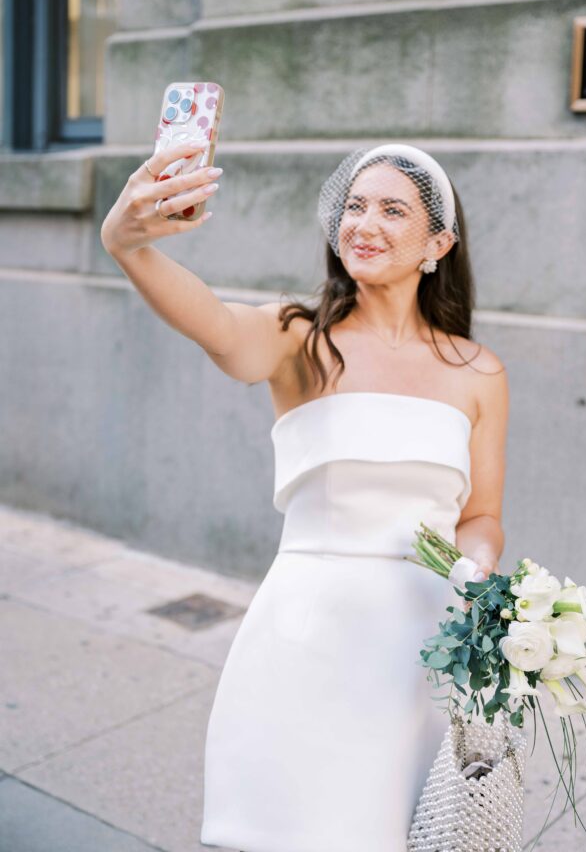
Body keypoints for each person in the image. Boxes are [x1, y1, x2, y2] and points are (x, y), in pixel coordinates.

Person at [101, 140, 509, 852]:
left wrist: (477, 577)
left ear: (436, 243)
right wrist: (128, 245)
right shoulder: (297, 338)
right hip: (305, 640)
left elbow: (480, 517)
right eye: (353, 206)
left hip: (423, 658)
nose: (364, 223)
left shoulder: (478, 372)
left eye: (391, 209)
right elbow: (218, 326)